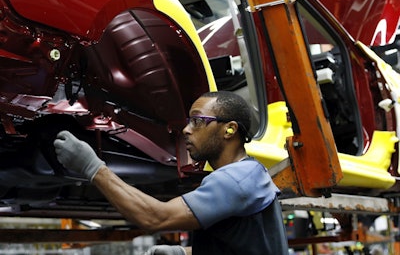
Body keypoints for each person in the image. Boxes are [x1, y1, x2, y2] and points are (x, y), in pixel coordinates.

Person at [54, 91, 289, 255]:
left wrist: (93, 168)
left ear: (229, 129)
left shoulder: (238, 180)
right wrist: (183, 252)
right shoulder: (249, 175)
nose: (186, 129)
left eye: (197, 121)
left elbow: (157, 218)